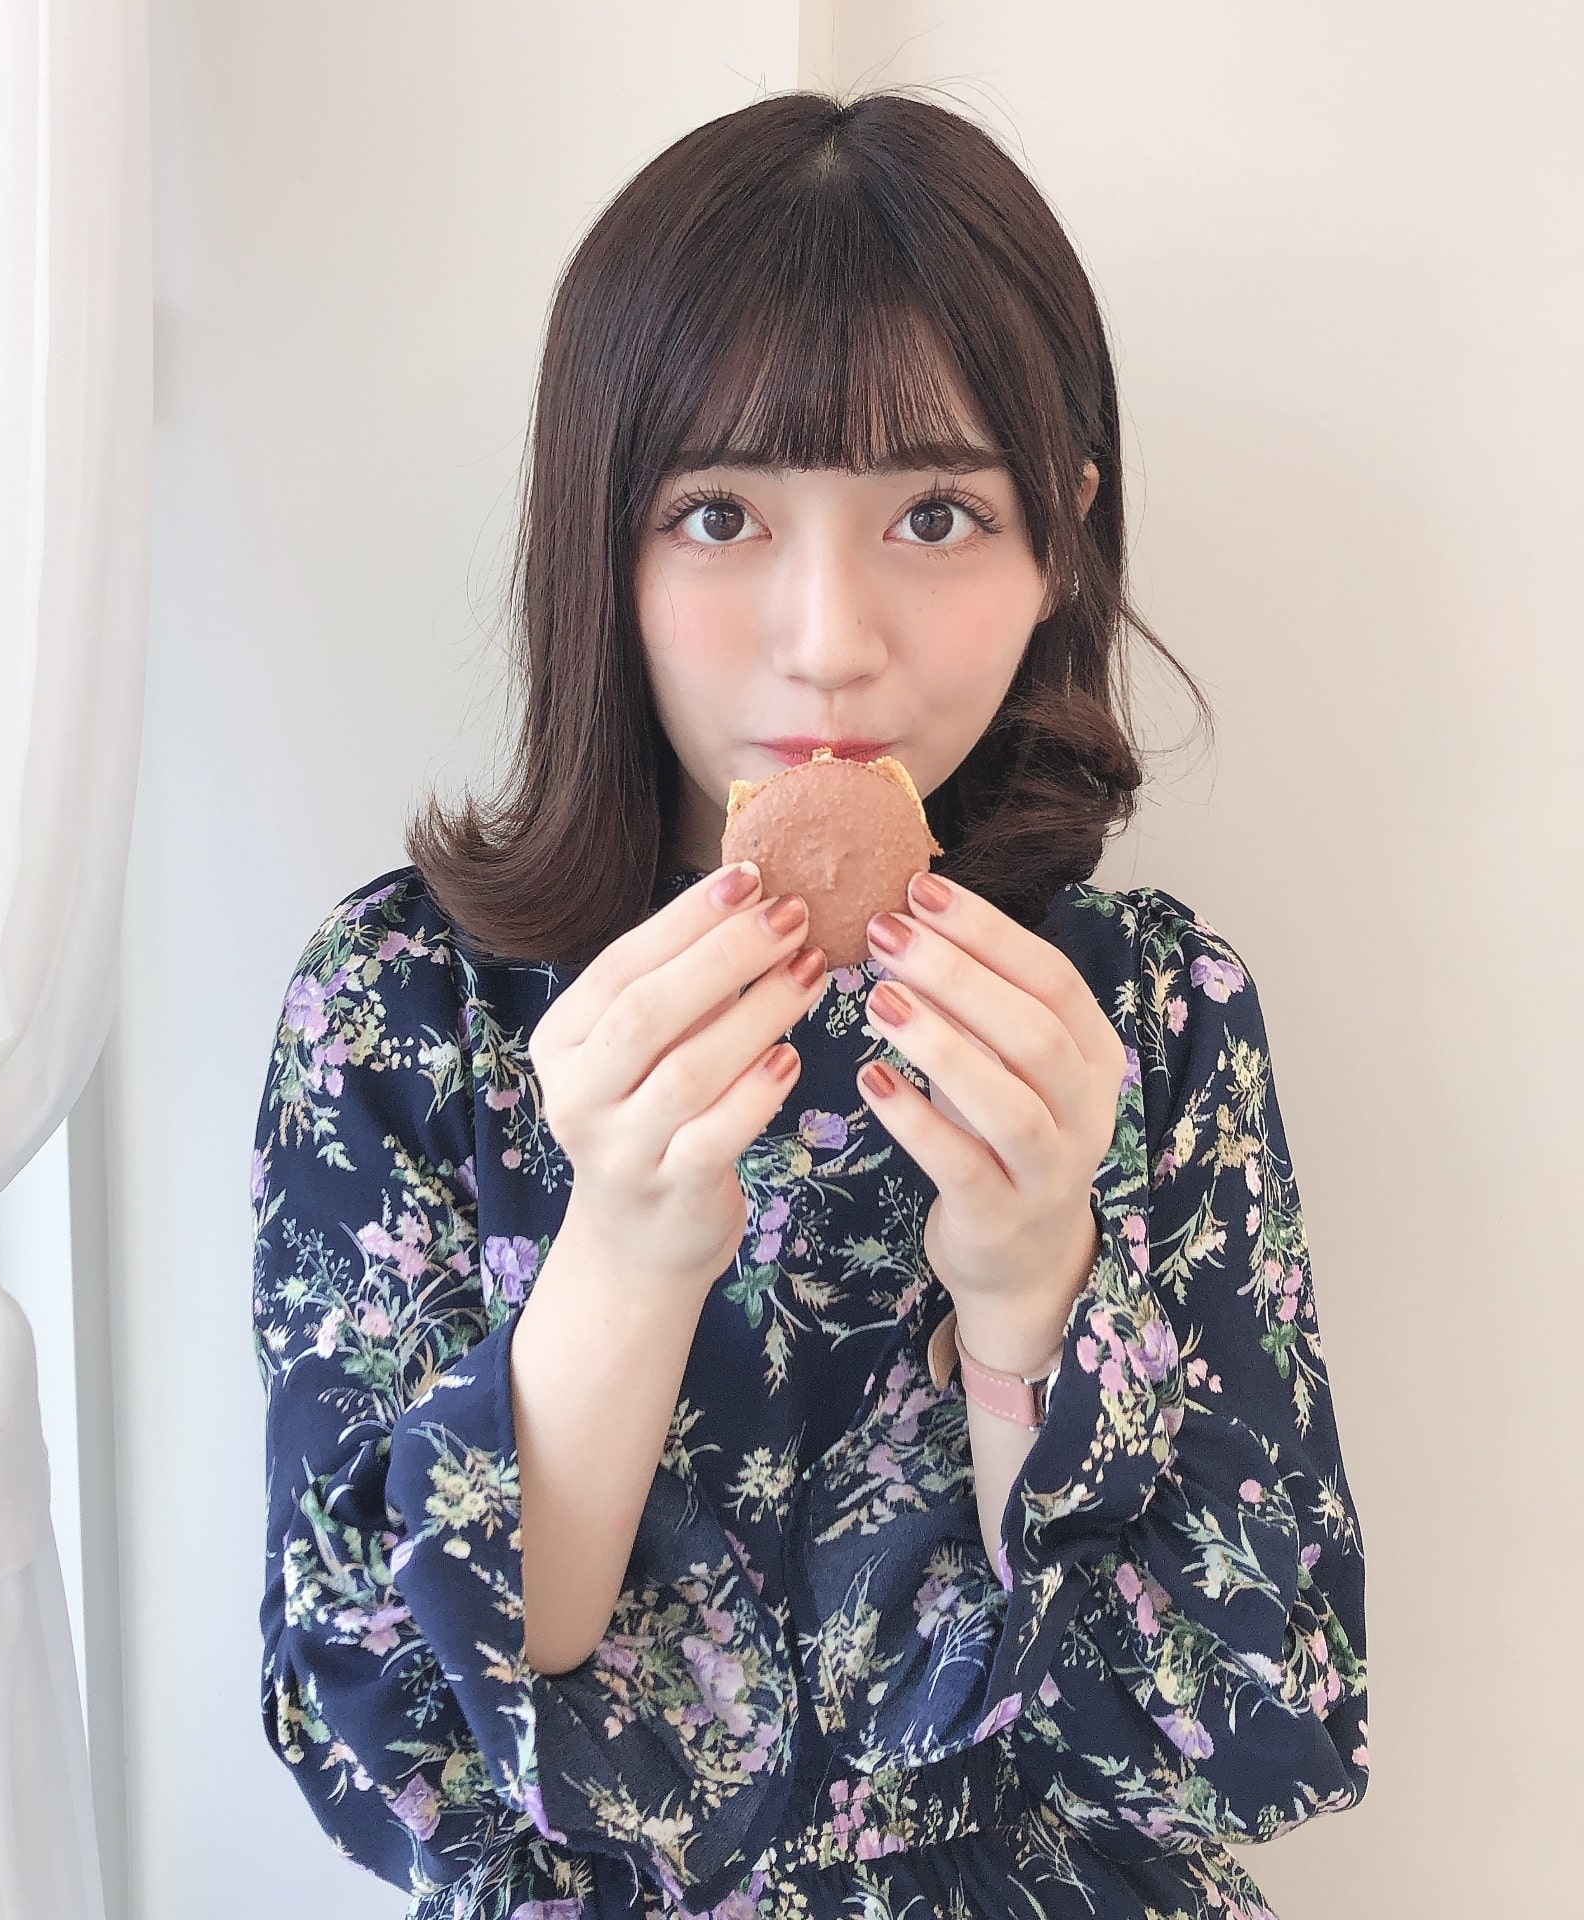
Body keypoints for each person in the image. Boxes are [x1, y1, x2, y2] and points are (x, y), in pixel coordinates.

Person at [249, 89, 1368, 1920]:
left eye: (937, 512)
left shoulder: (1151, 1017)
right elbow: (396, 1760)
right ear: (599, 544)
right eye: (718, 514)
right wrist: (624, 1250)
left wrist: (1032, 1288)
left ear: (1061, 541)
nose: (831, 639)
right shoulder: (402, 1015)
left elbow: (1259, 1735)